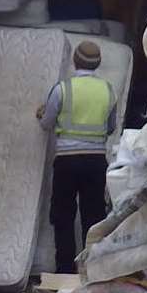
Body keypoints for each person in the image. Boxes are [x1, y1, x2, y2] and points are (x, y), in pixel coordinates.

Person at [38, 40, 116, 272]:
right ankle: (91, 270)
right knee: (93, 216)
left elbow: (47, 123)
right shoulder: (107, 90)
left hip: (67, 160)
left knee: (63, 215)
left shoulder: (62, 89)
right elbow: (110, 127)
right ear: (98, 63)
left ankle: (65, 270)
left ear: (75, 60)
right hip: (96, 161)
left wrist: (42, 114)